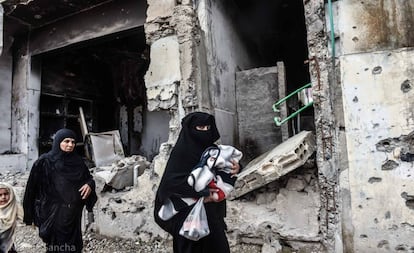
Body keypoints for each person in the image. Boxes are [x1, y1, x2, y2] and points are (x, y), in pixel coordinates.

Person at [154, 112, 241, 253]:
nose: (205, 132)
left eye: (208, 128)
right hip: (187, 215)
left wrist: (237, 167)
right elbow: (171, 183)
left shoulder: (212, 151)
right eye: (200, 128)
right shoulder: (181, 153)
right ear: (191, 129)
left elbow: (223, 167)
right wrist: (202, 193)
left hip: (212, 212)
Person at [23, 128, 97, 253]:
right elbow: (31, 189)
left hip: (73, 215)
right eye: (66, 141)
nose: (70, 145)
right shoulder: (44, 162)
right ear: (58, 142)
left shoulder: (78, 162)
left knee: (75, 246)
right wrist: (29, 216)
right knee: (56, 247)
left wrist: (90, 184)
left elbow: (88, 178)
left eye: (73, 142)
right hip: (52, 214)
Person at [0, 183, 23, 253]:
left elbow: (25, 219)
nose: (3, 197)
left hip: (8, 245)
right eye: (0, 195)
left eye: (6, 194)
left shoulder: (15, 209)